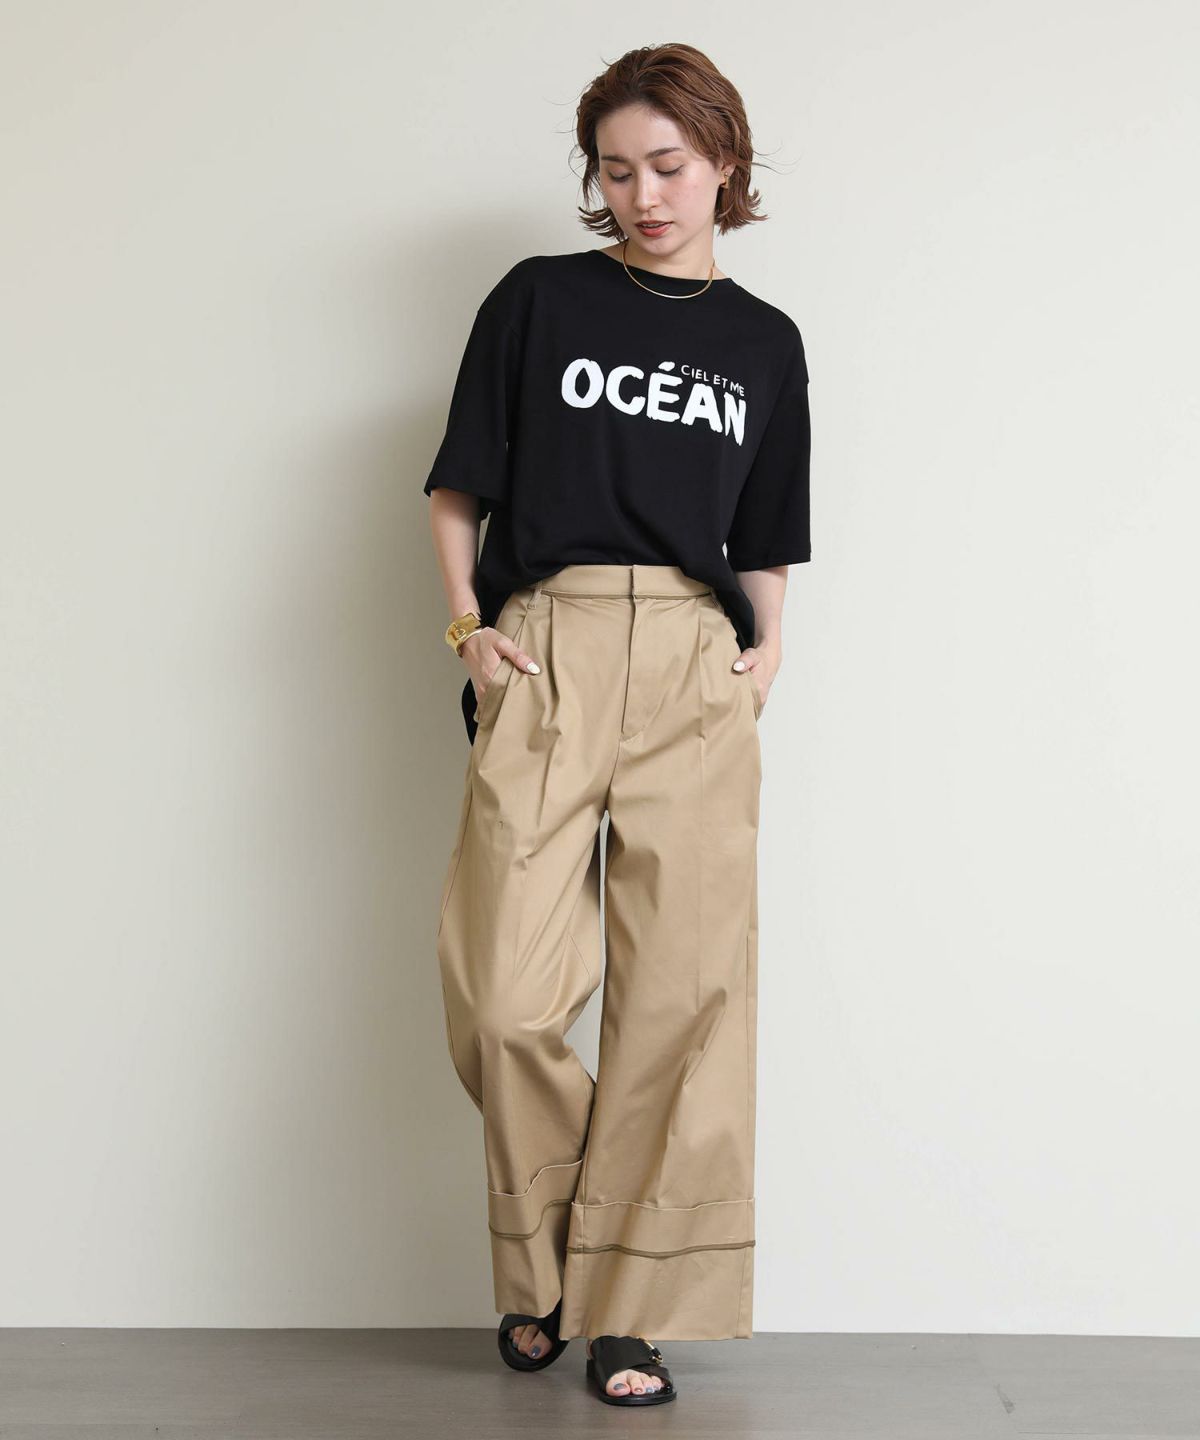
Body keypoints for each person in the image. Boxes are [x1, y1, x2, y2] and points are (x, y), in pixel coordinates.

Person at [423, 42, 811, 1408]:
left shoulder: (765, 343)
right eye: (618, 168)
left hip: (697, 663)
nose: (645, 193)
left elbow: (765, 531)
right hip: (551, 644)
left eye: (670, 165)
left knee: (680, 1002)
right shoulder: (539, 299)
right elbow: (458, 489)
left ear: (724, 164)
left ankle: (625, 1311)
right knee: (503, 998)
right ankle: (559, 1260)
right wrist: (470, 631)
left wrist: (766, 653)